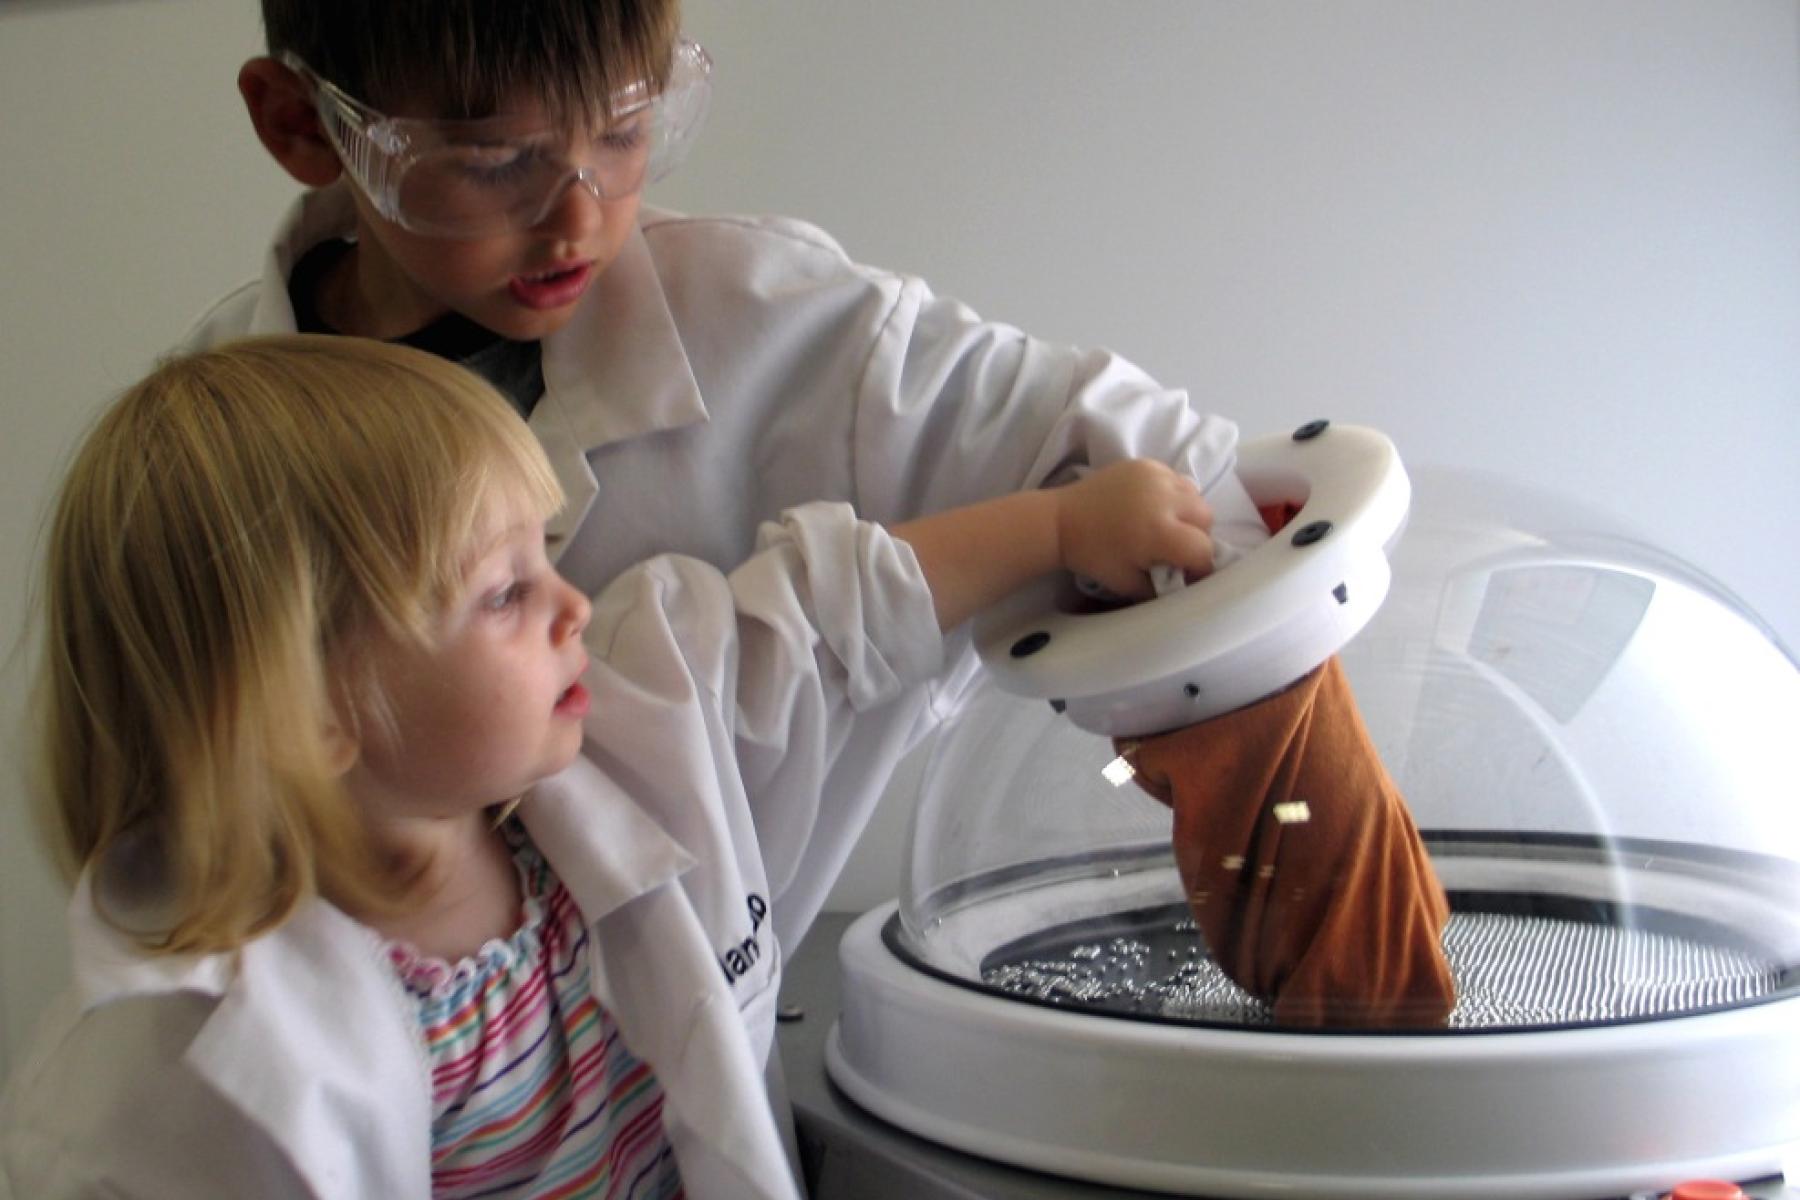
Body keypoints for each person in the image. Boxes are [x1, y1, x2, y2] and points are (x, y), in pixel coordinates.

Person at [0, 335, 1218, 1200]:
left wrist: (1058, 529)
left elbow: (814, 620)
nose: (574, 606)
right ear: (312, 713)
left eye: (550, 556)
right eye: (504, 591)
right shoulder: (169, 1082)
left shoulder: (595, 779)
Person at [187, 0, 1274, 968]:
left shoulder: (767, 311)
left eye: (623, 131)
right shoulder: (206, 437)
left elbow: (1175, 468)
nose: (580, 215)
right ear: (298, 124)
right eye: (496, 160)